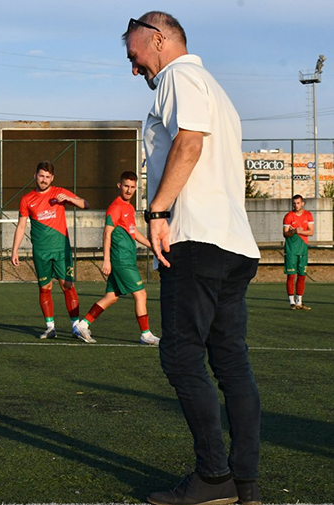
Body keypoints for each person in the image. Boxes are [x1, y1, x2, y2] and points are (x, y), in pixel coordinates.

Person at [124, 11, 262, 505]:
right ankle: (244, 483)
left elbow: (188, 142)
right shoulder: (215, 89)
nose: (134, 67)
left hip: (196, 240)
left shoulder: (178, 76)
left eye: (135, 55)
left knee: (181, 357)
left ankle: (213, 478)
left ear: (158, 39)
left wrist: (157, 211)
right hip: (235, 244)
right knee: (231, 363)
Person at [75, 171, 159, 345]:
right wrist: (106, 260)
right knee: (141, 294)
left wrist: (153, 246)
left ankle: (82, 325)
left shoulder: (129, 207)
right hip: (121, 260)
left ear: (136, 188)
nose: (129, 190)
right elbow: (107, 232)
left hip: (127, 259)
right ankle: (146, 334)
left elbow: (133, 233)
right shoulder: (116, 207)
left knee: (111, 297)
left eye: (132, 187)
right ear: (119, 186)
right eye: (126, 186)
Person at [10, 160, 91, 342]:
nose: (44, 180)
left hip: (61, 250)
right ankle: (50, 327)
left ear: (52, 178)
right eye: (41, 176)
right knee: (45, 288)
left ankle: (76, 327)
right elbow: (21, 226)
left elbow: (85, 204)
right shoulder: (27, 199)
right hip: (41, 252)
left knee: (67, 286)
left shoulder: (59, 193)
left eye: (47, 177)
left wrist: (69, 199)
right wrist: (14, 250)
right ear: (35, 176)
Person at [283, 194, 314, 310]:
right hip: (291, 249)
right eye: (294, 203)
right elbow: (285, 233)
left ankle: (299, 302)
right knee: (291, 276)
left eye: (298, 203)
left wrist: (298, 231)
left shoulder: (308, 215)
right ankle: (292, 302)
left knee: (302, 276)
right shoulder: (288, 216)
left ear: (302, 203)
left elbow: (311, 232)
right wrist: (294, 231)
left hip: (303, 249)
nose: (296, 205)